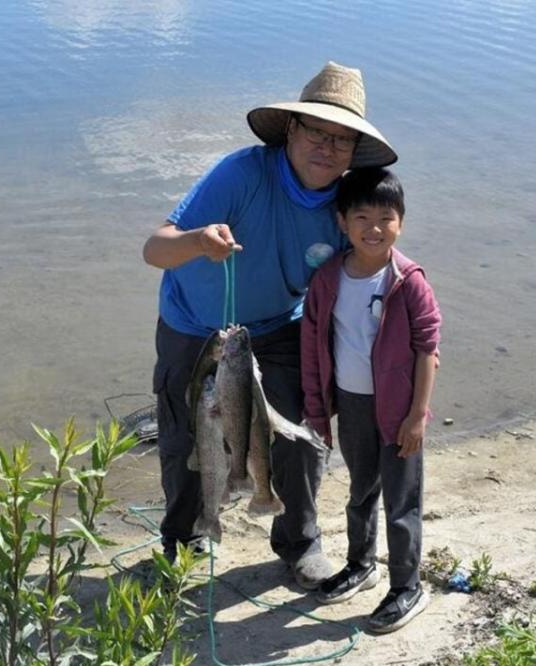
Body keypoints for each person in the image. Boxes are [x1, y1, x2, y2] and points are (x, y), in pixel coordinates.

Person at [142, 62, 398, 590]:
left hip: (282, 326)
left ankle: (299, 542)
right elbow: (155, 249)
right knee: (185, 437)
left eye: (342, 139)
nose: (327, 147)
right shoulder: (241, 173)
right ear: (291, 130)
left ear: (354, 151)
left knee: (303, 433)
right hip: (195, 326)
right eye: (316, 132)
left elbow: (374, 268)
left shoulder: (349, 205)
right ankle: (185, 540)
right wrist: (197, 241)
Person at [301, 167, 441, 633]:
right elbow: (314, 348)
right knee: (360, 491)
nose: (374, 228)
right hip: (353, 404)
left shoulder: (409, 282)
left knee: (402, 501)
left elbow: (428, 352)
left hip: (400, 410)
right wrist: (318, 412)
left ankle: (407, 586)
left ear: (401, 221)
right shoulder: (327, 280)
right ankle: (361, 564)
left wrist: (418, 416)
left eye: (386, 216)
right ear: (341, 221)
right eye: (362, 216)